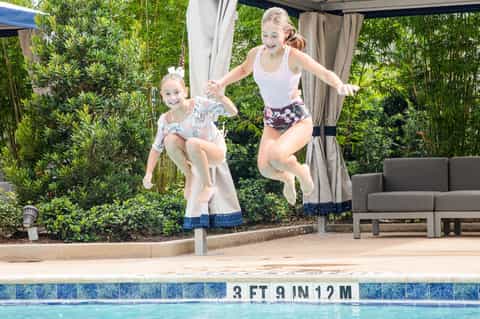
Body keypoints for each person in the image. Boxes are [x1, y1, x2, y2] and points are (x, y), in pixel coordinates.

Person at [207, 7, 359, 205]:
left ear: (286, 33)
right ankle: (288, 178)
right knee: (265, 168)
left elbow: (323, 72)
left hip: (297, 119)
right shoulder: (256, 54)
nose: (269, 41)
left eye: (274, 36)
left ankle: (302, 171)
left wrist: (339, 85)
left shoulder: (293, 57)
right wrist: (221, 83)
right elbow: (243, 69)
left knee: (278, 156)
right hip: (272, 119)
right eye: (265, 35)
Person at [143, 66, 238, 206]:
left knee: (192, 142)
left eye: (176, 92)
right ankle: (189, 175)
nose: (173, 98)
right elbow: (156, 148)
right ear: (162, 96)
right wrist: (148, 173)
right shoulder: (165, 120)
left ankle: (208, 185)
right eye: (167, 94)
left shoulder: (199, 104)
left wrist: (220, 96)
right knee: (169, 140)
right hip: (192, 153)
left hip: (214, 151)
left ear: (185, 91)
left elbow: (232, 112)